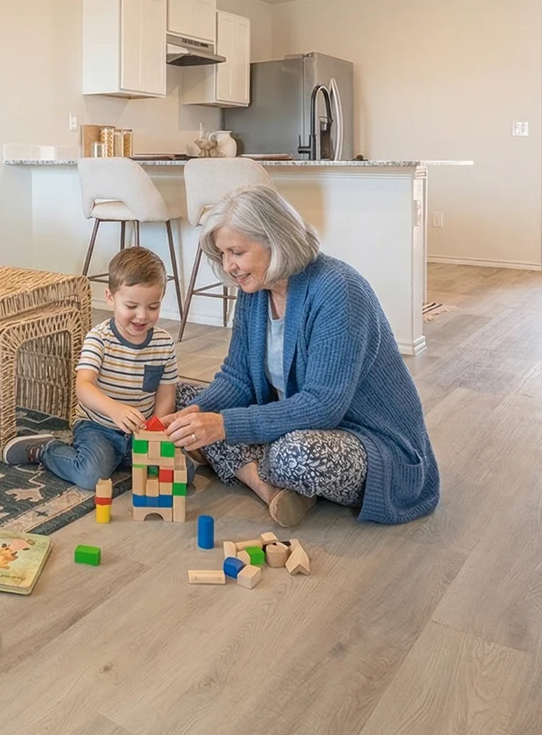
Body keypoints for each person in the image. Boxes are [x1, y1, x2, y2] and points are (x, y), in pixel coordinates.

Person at [161, 184, 439, 528]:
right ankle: (266, 485)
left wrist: (224, 426)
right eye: (223, 255)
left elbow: (323, 406)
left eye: (237, 252)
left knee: (296, 456)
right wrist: (200, 412)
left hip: (365, 435)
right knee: (180, 401)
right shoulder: (255, 289)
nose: (229, 265)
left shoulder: (338, 290)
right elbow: (237, 377)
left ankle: (262, 467)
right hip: (296, 419)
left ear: (274, 241)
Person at [2, 246, 190, 489]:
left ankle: (124, 460)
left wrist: (156, 430)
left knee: (184, 472)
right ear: (110, 297)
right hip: (98, 427)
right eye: (131, 306)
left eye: (153, 307)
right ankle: (46, 450)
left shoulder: (163, 343)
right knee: (91, 476)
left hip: (140, 434)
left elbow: (166, 394)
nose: (142, 315)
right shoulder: (99, 338)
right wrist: (115, 411)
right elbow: (84, 387)